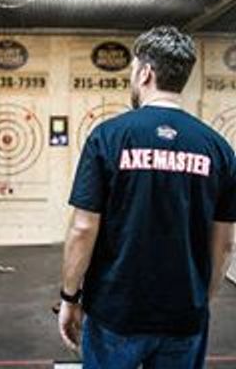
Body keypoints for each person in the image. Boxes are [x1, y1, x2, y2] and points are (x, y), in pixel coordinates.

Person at [58, 26, 236, 369]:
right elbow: (225, 243)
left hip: (115, 312)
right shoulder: (218, 148)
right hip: (184, 315)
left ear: (145, 72)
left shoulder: (108, 137)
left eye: (132, 72)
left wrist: (70, 297)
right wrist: (202, 299)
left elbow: (83, 228)